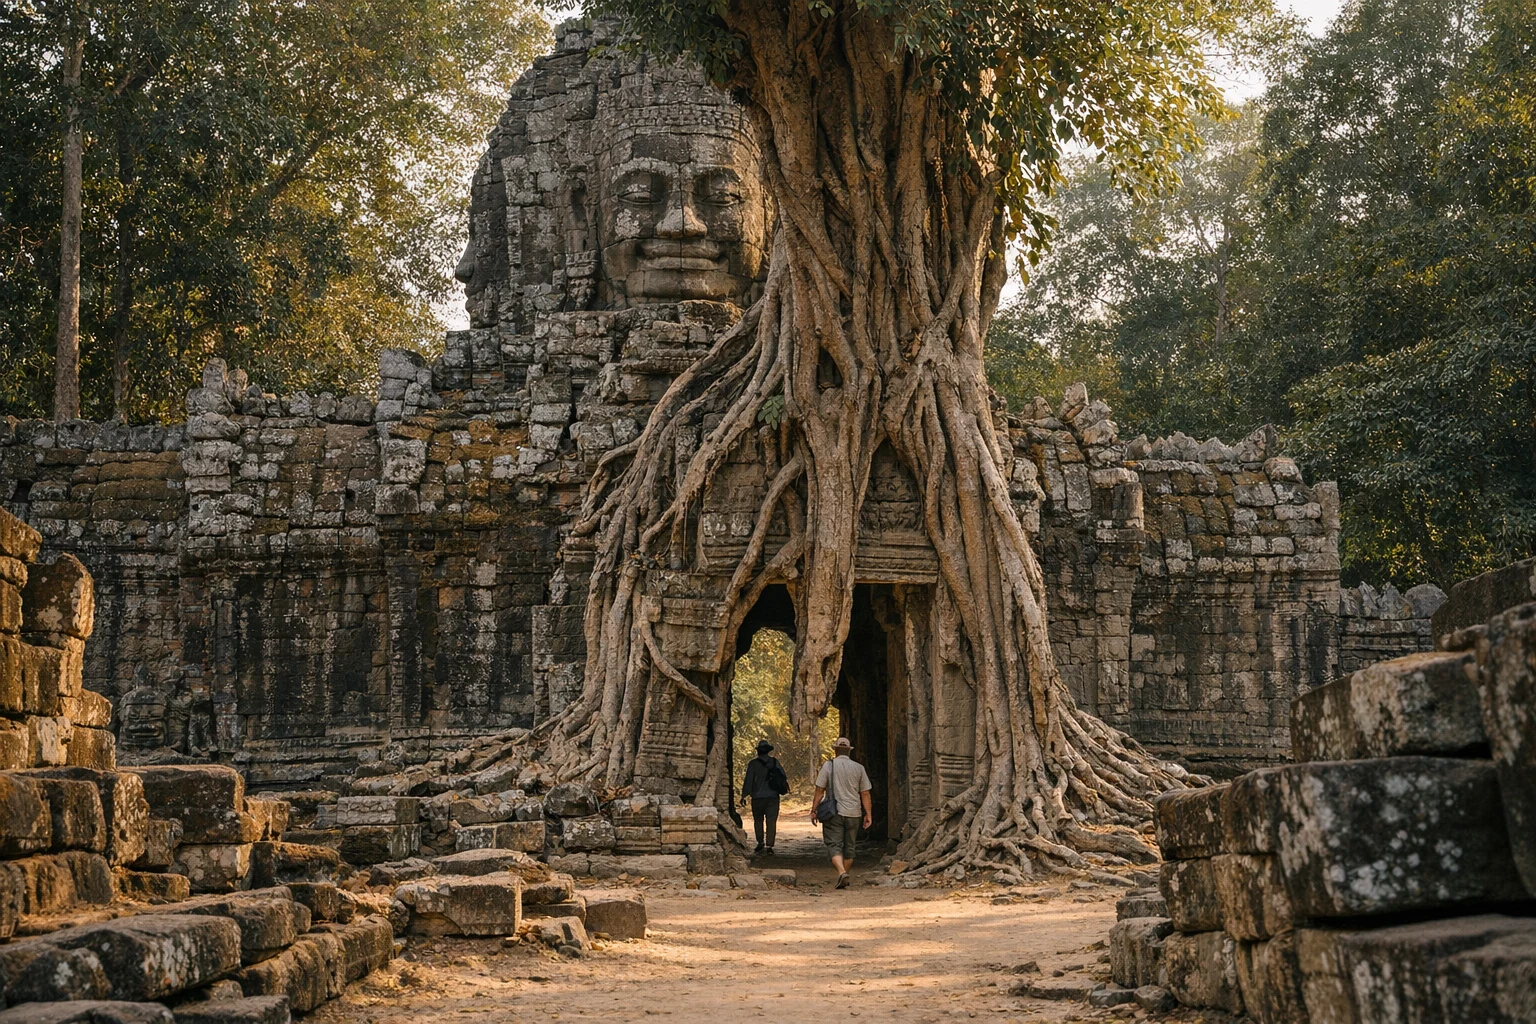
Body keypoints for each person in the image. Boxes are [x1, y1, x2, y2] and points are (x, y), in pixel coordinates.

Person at [810, 736, 872, 889]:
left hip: (834, 813)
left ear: (836, 750)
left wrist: (814, 810)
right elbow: (865, 793)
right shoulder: (859, 768)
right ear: (849, 751)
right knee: (850, 848)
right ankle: (844, 876)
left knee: (834, 844)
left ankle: (841, 872)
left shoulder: (828, 766)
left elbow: (820, 790)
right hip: (854, 813)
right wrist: (868, 814)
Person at [740, 739, 787, 855]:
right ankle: (770, 845)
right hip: (773, 797)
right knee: (771, 821)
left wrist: (744, 795)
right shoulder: (775, 762)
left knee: (758, 820)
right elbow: (783, 776)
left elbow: (749, 781)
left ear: (758, 752)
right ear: (768, 751)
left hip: (757, 798)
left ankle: (760, 842)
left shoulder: (753, 764)